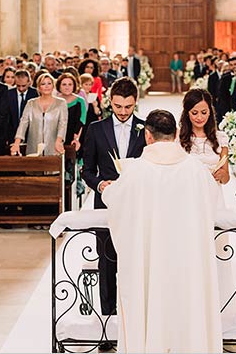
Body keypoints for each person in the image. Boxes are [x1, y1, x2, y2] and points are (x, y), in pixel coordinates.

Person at [102, 109, 222, 353]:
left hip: (148, 261)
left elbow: (115, 201)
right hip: (187, 262)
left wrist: (106, 189)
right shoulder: (195, 170)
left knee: (146, 303)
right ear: (176, 133)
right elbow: (212, 204)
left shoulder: (135, 171)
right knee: (187, 305)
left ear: (148, 136)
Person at [81, 77, 146, 317]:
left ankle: (133, 317)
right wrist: (99, 185)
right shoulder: (96, 129)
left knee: (134, 261)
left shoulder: (145, 129)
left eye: (128, 107)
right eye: (118, 106)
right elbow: (87, 170)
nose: (122, 112)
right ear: (110, 102)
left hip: (137, 204)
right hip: (106, 203)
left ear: (135, 103)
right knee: (107, 261)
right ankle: (108, 317)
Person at [10, 73, 67, 157]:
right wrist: (17, 143)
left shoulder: (61, 103)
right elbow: (23, 123)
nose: (46, 86)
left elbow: (63, 124)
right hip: (33, 147)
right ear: (39, 87)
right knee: (33, 168)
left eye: (49, 83)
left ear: (53, 86)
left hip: (54, 148)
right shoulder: (31, 103)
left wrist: (59, 141)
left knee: (53, 169)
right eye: (43, 84)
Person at [6, 69, 38, 143]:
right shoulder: (8, 94)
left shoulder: (35, 94)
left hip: (31, 135)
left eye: (23, 86)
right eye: (18, 86)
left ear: (29, 82)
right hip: (12, 135)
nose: (21, 88)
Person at [56, 73, 86, 151]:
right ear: (59, 86)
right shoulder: (55, 101)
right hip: (57, 138)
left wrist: (76, 138)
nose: (67, 87)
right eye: (64, 84)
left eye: (70, 84)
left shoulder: (80, 101)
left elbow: (82, 121)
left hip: (74, 138)